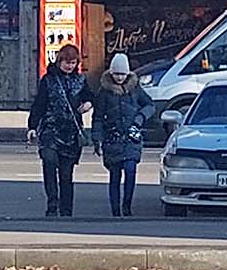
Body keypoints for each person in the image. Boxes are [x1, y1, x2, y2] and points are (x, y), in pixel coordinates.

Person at [27, 43, 92, 217]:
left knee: (66, 174)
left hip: (71, 133)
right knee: (49, 162)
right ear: (59, 61)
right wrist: (32, 126)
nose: (69, 66)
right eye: (66, 62)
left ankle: (66, 210)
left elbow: (90, 96)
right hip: (50, 129)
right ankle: (52, 204)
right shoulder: (48, 80)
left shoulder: (80, 80)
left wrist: (88, 104)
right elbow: (39, 104)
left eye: (72, 63)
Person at [91, 52, 156, 217]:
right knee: (114, 174)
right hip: (112, 138)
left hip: (131, 137)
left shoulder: (135, 89)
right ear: (111, 73)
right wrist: (97, 139)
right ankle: (115, 210)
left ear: (128, 73)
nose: (119, 77)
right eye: (116, 74)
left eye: (122, 74)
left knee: (130, 169)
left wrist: (140, 119)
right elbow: (97, 117)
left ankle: (127, 206)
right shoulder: (104, 92)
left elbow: (149, 105)